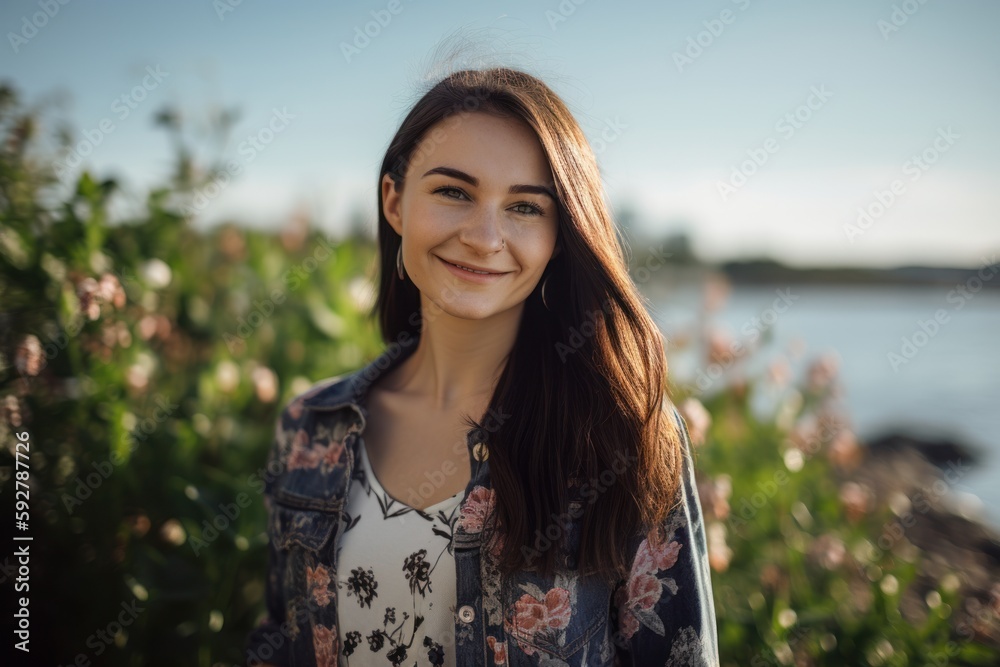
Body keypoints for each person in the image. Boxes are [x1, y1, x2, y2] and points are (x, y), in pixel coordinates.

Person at [246, 66, 719, 667]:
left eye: (525, 206)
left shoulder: (621, 438)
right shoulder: (311, 429)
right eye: (453, 192)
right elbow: (279, 645)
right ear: (395, 202)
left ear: (560, 234)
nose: (485, 235)